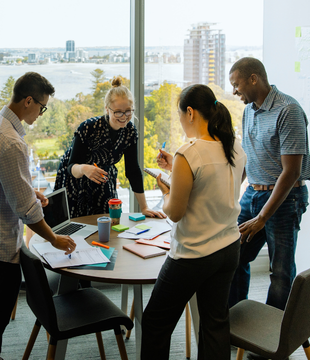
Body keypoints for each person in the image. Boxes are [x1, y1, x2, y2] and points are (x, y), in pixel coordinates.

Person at [141, 84, 246, 360]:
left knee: (155, 322)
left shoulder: (189, 152)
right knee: (215, 323)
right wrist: (176, 173)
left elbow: (174, 212)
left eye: (179, 116)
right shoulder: (234, 146)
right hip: (228, 248)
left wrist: (167, 190)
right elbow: (219, 185)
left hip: (193, 255)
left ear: (190, 112)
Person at [228, 57, 310, 359]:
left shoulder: (288, 110)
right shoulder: (249, 112)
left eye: (236, 84)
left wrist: (263, 216)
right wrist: (233, 191)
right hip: (253, 195)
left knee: (280, 273)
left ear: (253, 79)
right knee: (234, 256)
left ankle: (270, 345)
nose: (235, 91)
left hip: (285, 199)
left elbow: (291, 172)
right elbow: (249, 158)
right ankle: (235, 324)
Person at [0, 72, 76, 358]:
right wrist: (53, 238)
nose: (41, 114)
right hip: (2, 248)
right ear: (28, 101)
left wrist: (30, 192)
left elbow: (10, 185)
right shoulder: (11, 142)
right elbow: (26, 211)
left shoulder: (2, 127)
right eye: (42, 107)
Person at [54, 76, 165, 219]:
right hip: (76, 180)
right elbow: (71, 167)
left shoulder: (130, 131)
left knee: (108, 221)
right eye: (118, 112)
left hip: (103, 178)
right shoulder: (88, 128)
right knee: (78, 225)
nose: (124, 117)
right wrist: (84, 168)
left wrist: (144, 207)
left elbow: (133, 170)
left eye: (129, 111)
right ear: (107, 109)